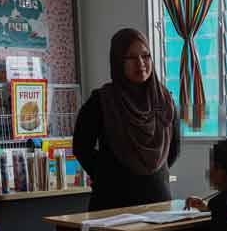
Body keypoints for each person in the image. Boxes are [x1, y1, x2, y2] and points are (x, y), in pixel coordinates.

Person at [73, 28, 181, 212]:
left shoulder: (164, 100)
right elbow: (81, 147)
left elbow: (174, 149)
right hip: (113, 202)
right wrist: (108, 173)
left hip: (158, 201)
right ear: (117, 61)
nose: (141, 63)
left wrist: (148, 170)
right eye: (131, 58)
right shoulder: (102, 101)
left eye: (146, 56)